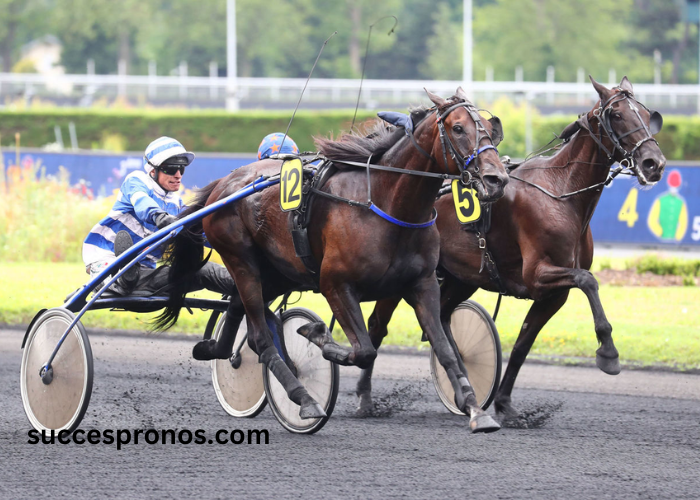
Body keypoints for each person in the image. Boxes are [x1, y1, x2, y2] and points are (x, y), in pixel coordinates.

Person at [82, 136, 235, 296]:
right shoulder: (136, 181)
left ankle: (251, 288)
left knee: (204, 271)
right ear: (152, 171)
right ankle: (119, 278)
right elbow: (143, 204)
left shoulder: (176, 204)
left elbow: (202, 235)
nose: (178, 175)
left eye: (181, 168)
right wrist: (160, 217)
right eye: (171, 168)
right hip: (105, 259)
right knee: (120, 272)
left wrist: (229, 241)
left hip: (145, 274)